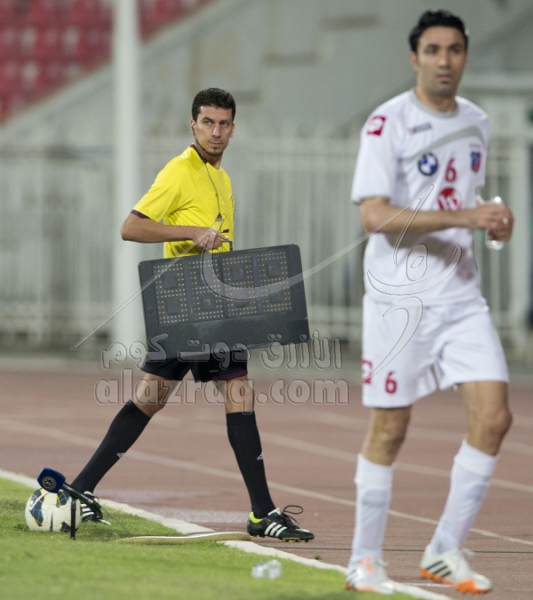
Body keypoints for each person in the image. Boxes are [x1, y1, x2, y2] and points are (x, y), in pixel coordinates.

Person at [72, 88, 313, 543]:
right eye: (207, 123)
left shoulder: (221, 177)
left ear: (233, 128)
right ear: (193, 125)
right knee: (152, 398)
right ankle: (80, 489)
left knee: (232, 392)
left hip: (217, 309)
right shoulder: (179, 171)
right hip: (184, 307)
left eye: (223, 124)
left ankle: (261, 511)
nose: (215, 132)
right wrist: (190, 232)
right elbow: (131, 227)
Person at [345, 10, 513, 595]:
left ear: (465, 56)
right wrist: (465, 215)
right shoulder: (387, 122)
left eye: (455, 49)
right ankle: (364, 561)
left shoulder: (477, 122)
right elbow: (374, 215)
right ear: (414, 57)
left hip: (461, 296)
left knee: (495, 419)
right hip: (401, 302)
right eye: (434, 50)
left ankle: (444, 549)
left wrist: (493, 221)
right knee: (391, 428)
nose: (445, 60)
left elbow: (465, 201)